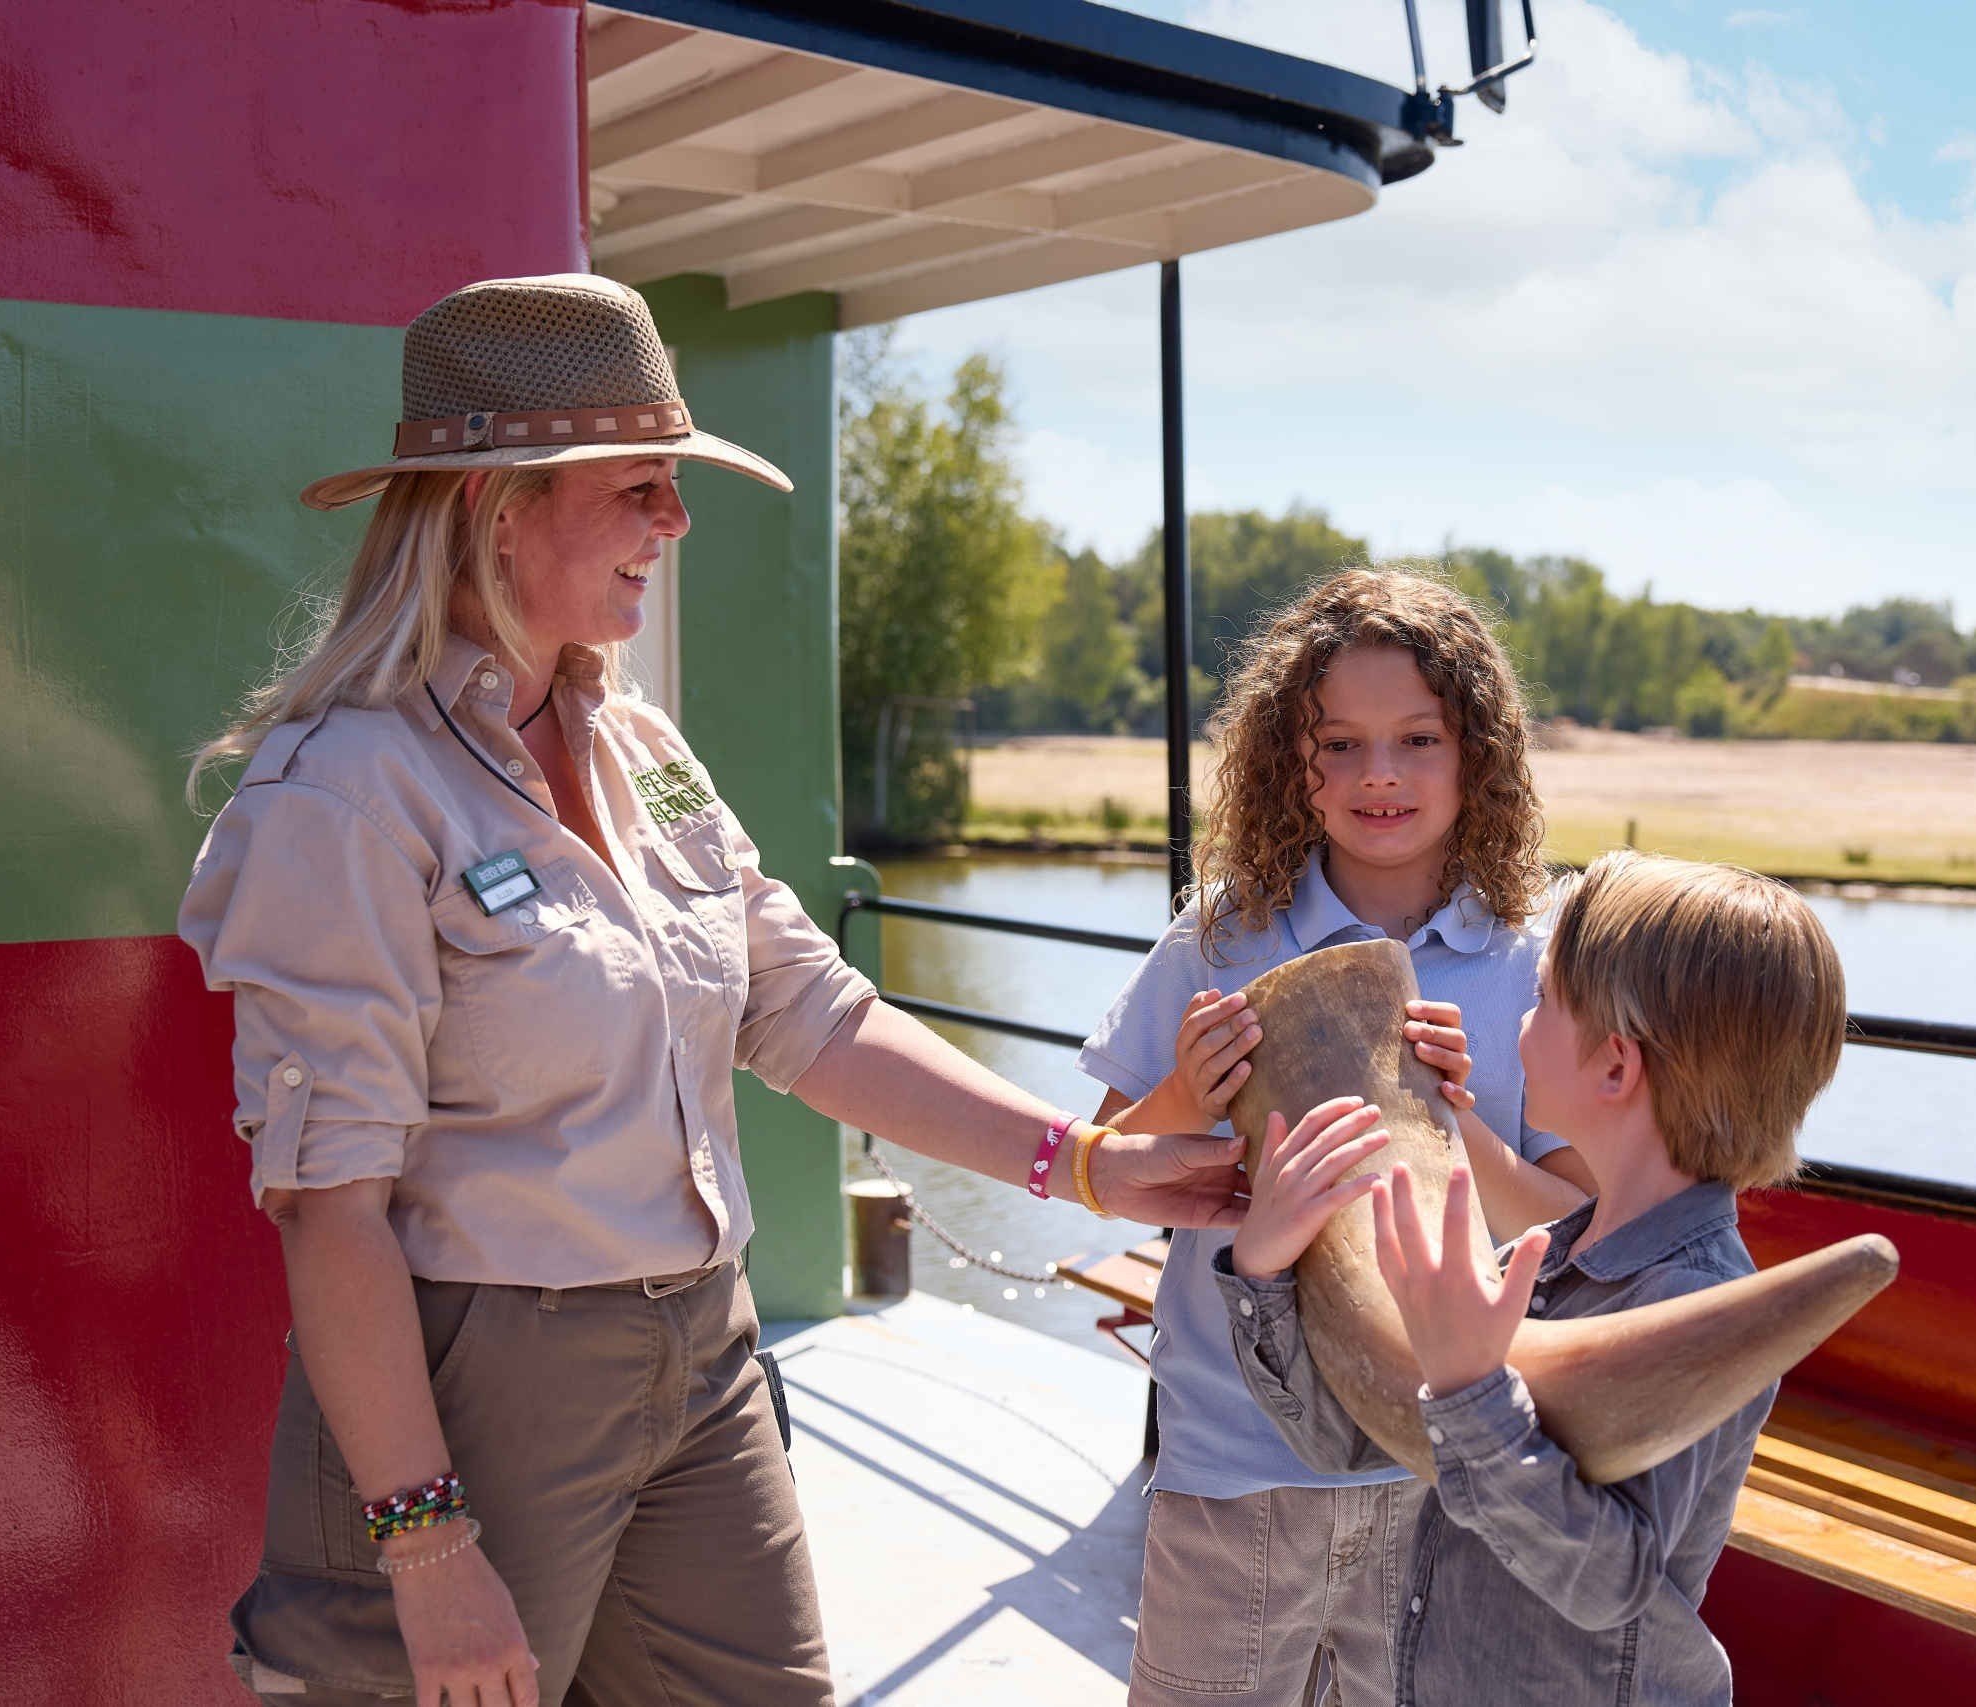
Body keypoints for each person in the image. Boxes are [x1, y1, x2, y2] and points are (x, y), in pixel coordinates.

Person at [177, 273, 1247, 1707]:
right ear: (502, 509)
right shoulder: (352, 793)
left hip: (704, 1352)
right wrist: (424, 1546)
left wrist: (1088, 1162)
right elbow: (333, 1203)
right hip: (476, 1381)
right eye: (640, 487)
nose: (673, 522)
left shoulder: (643, 747)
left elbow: (812, 1011)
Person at [1079, 568, 1589, 1704]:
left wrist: (1460, 1128)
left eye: (1417, 738)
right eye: (1340, 745)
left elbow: (1575, 1225)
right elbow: (1101, 1165)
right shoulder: (1219, 939)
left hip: (1446, 1481)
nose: (1380, 777)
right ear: (1287, 760)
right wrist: (1178, 1097)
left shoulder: (1532, 962)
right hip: (1231, 1468)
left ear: (1478, 755)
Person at [1217, 850, 1849, 1705]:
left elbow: (1605, 1582)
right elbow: (1352, 1440)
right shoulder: (1535, 1256)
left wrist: (1474, 1387)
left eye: (1545, 998)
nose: (1520, 1014)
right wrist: (1264, 1267)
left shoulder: (1689, 1300)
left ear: (1616, 1068)